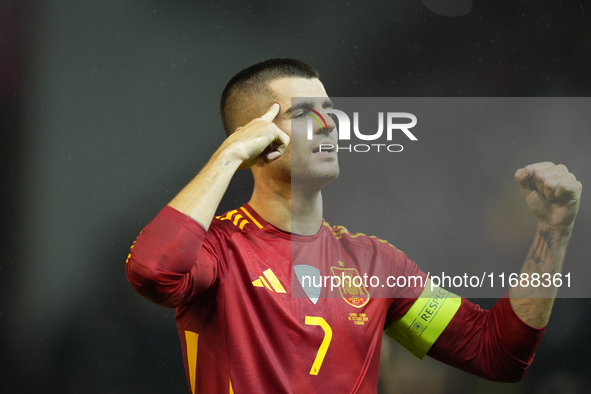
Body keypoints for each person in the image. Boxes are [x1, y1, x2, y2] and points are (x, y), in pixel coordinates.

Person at [125, 58, 582, 394]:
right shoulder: (220, 251)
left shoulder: (375, 264)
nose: (330, 125)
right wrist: (227, 156)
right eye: (306, 114)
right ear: (257, 138)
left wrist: (552, 232)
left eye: (331, 111)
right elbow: (151, 272)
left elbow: (497, 352)